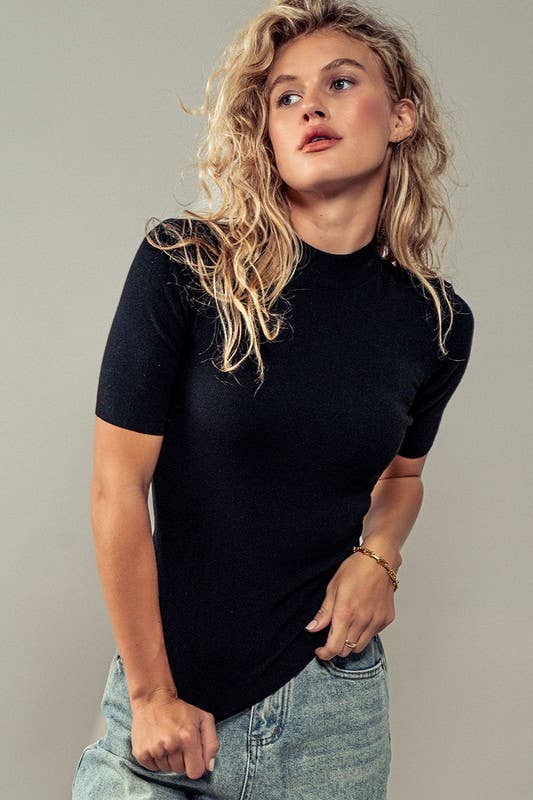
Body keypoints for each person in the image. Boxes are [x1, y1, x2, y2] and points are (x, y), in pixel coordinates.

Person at [72, 1, 475, 798]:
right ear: (264, 132)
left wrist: (379, 558)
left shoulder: (434, 322)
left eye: (339, 82)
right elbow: (116, 487)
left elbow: (401, 477)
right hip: (168, 709)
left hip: (330, 715)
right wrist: (149, 695)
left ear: (400, 117)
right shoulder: (184, 266)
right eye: (286, 97)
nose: (310, 108)